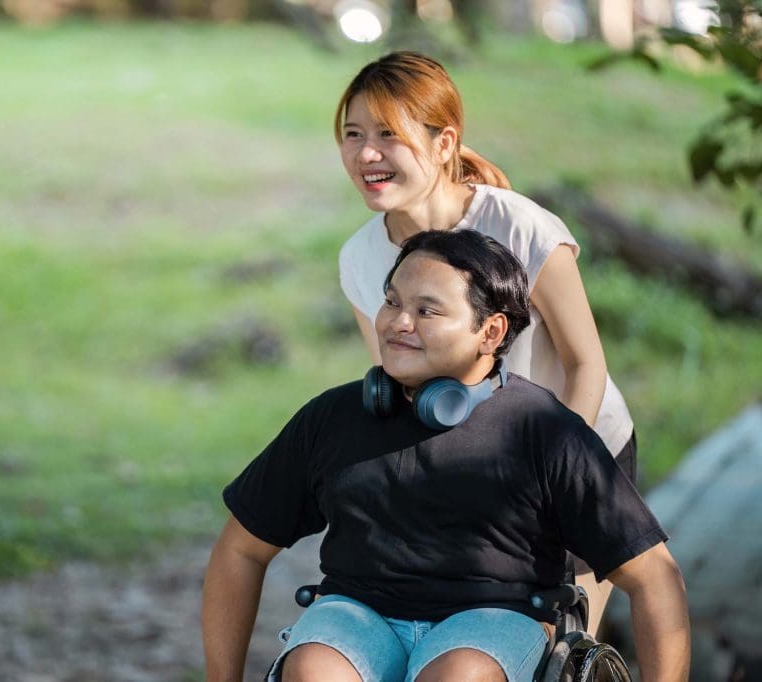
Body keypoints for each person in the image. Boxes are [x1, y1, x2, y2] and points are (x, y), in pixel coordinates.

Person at [201, 229, 689, 682]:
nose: (397, 322)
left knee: (459, 676)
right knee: (313, 670)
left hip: (494, 621)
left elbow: (654, 579)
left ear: (491, 333)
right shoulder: (333, 417)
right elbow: (241, 549)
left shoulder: (545, 430)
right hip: (357, 614)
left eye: (427, 310)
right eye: (392, 302)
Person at [334, 51, 636, 633]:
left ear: (444, 143)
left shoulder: (522, 227)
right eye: (352, 134)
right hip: (476, 466)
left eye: (387, 135)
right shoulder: (358, 258)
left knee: (554, 646)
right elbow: (396, 388)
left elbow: (584, 362)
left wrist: (556, 474)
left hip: (579, 444)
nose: (365, 153)